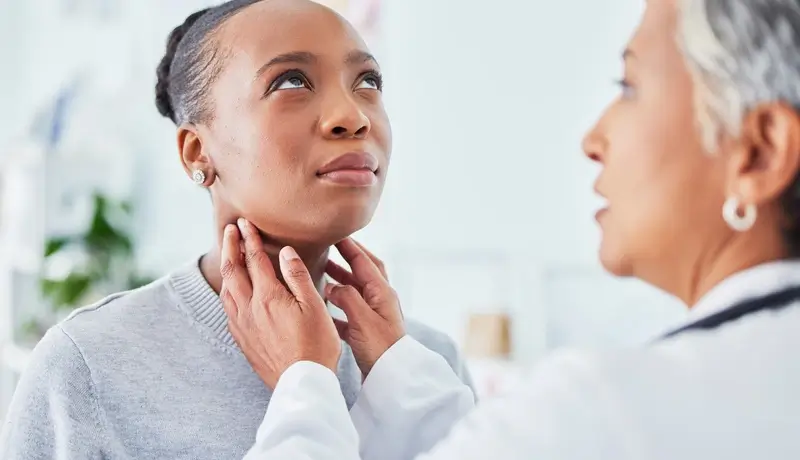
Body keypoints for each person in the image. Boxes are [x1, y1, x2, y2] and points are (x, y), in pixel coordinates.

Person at [218, 0, 800, 459]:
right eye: (291, 81)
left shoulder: (604, 410)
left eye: (629, 87)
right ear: (197, 150)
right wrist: (399, 373)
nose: (592, 138)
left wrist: (304, 385)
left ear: (760, 152)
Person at [0, 1, 474, 458]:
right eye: (292, 81)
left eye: (367, 81)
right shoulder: (86, 367)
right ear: (196, 152)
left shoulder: (427, 362)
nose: (352, 117)